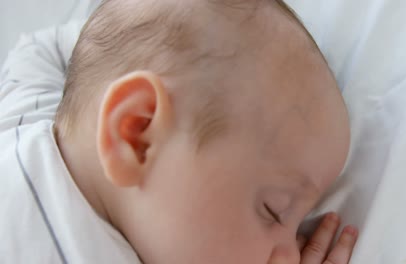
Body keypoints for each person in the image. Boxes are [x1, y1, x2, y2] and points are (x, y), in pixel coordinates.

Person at [0, 0, 357, 263]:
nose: (291, 257)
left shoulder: (22, 117)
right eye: (274, 210)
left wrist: (130, 42)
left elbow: (39, 50)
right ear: (137, 133)